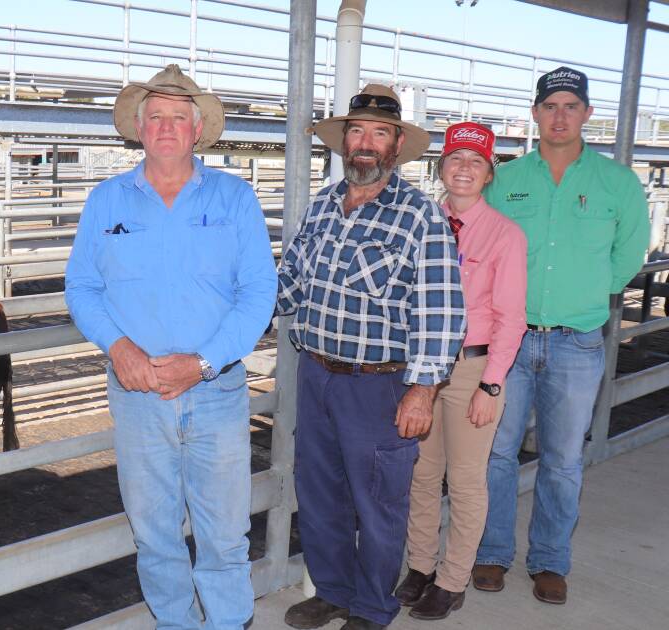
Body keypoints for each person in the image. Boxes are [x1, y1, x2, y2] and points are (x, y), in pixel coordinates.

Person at [64, 64, 278, 629]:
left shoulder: (235, 198)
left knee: (224, 533)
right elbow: (82, 287)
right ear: (138, 126)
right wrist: (117, 347)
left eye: (177, 117)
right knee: (154, 532)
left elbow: (259, 293)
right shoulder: (106, 201)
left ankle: (229, 623)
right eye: (155, 116)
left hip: (215, 390)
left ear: (197, 128)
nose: (165, 126)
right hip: (138, 394)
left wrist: (204, 362)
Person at [278, 84, 466, 630]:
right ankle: (333, 591)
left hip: (380, 386)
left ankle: (372, 606)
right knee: (319, 493)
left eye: (377, 133)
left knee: (379, 504)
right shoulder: (321, 207)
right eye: (355, 131)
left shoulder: (419, 216)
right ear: (343, 143)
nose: (364, 142)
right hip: (316, 373)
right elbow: (288, 285)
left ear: (397, 143)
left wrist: (423, 388)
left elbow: (442, 310)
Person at [473, 66, 650, 605]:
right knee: (497, 452)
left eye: (571, 106)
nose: (559, 115)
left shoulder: (616, 182)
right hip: (512, 340)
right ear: (534, 113)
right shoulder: (506, 179)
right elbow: (480, 245)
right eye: (550, 106)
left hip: (577, 341)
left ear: (587, 114)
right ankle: (492, 552)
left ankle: (549, 559)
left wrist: (589, 293)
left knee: (563, 458)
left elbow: (629, 253)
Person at [393, 122, 528, 621]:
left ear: (489, 173)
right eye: (455, 159)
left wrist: (491, 384)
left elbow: (512, 318)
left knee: (467, 479)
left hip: (472, 367)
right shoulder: (423, 222)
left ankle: (453, 580)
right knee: (422, 474)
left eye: (476, 161)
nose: (464, 169)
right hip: (425, 366)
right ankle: (421, 567)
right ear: (441, 167)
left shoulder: (505, 234)